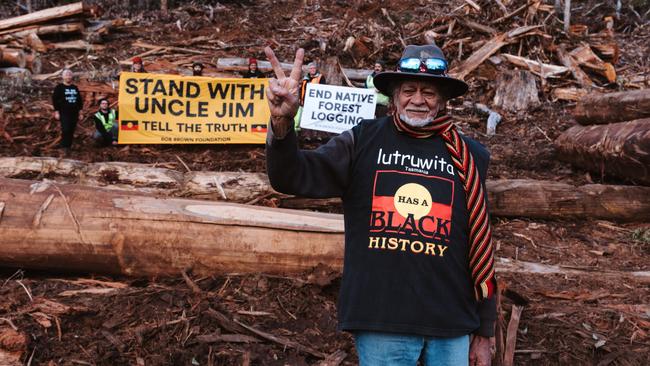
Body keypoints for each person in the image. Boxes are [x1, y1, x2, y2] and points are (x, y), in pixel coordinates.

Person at [264, 44, 495, 366]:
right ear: (394, 96)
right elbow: (292, 177)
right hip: (382, 317)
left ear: (442, 100)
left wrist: (484, 330)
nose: (417, 99)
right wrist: (282, 125)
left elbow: (479, 244)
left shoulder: (471, 157)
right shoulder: (362, 141)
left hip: (451, 321)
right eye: (409, 90)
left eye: (428, 91)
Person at [52, 69, 83, 151]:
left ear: (72, 77)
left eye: (70, 75)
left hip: (74, 112)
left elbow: (79, 100)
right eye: (66, 75)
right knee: (66, 129)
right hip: (64, 112)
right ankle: (63, 146)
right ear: (63, 77)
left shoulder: (75, 87)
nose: (68, 77)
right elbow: (55, 100)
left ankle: (68, 146)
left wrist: (80, 112)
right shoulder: (59, 88)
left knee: (72, 129)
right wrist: (56, 111)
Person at [294, 61, 326, 131]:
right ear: (309, 70)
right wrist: (300, 99)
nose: (313, 70)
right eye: (311, 68)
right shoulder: (305, 79)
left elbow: (324, 89)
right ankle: (305, 135)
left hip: (315, 103)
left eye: (314, 68)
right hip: (305, 102)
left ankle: (317, 135)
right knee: (305, 119)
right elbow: (301, 90)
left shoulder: (320, 77)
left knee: (315, 119)